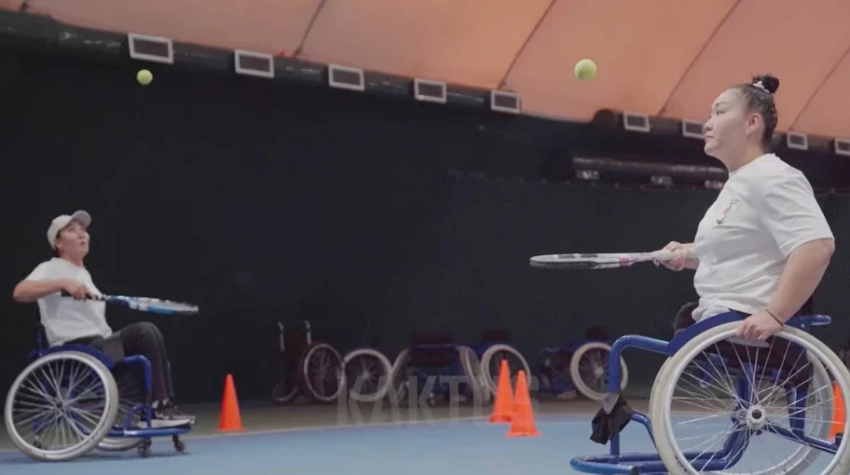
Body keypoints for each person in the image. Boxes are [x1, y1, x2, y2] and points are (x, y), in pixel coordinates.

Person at [656, 74, 835, 342]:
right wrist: (687, 254)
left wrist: (774, 314)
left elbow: (817, 246)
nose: (708, 124)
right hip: (715, 321)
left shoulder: (774, 176)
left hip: (744, 329)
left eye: (720, 112)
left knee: (624, 346)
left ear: (752, 123)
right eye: (710, 115)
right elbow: (741, 254)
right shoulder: (741, 182)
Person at [12, 210, 195, 428]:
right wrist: (62, 283)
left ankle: (160, 407)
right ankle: (157, 411)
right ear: (58, 243)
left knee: (149, 338)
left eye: (83, 230)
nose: (81, 234)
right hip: (77, 348)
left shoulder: (83, 274)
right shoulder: (51, 267)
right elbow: (20, 292)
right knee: (144, 332)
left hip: (99, 345)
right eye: (72, 230)